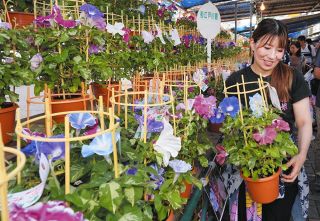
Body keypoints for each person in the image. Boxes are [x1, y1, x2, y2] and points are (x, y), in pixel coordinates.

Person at [225, 18, 312, 221]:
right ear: (252, 43)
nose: (272, 56)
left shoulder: (292, 77)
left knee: (277, 216)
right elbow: (228, 126)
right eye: (266, 47)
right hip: (245, 165)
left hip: (283, 165)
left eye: (279, 50)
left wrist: (301, 155)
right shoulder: (235, 81)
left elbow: (304, 121)